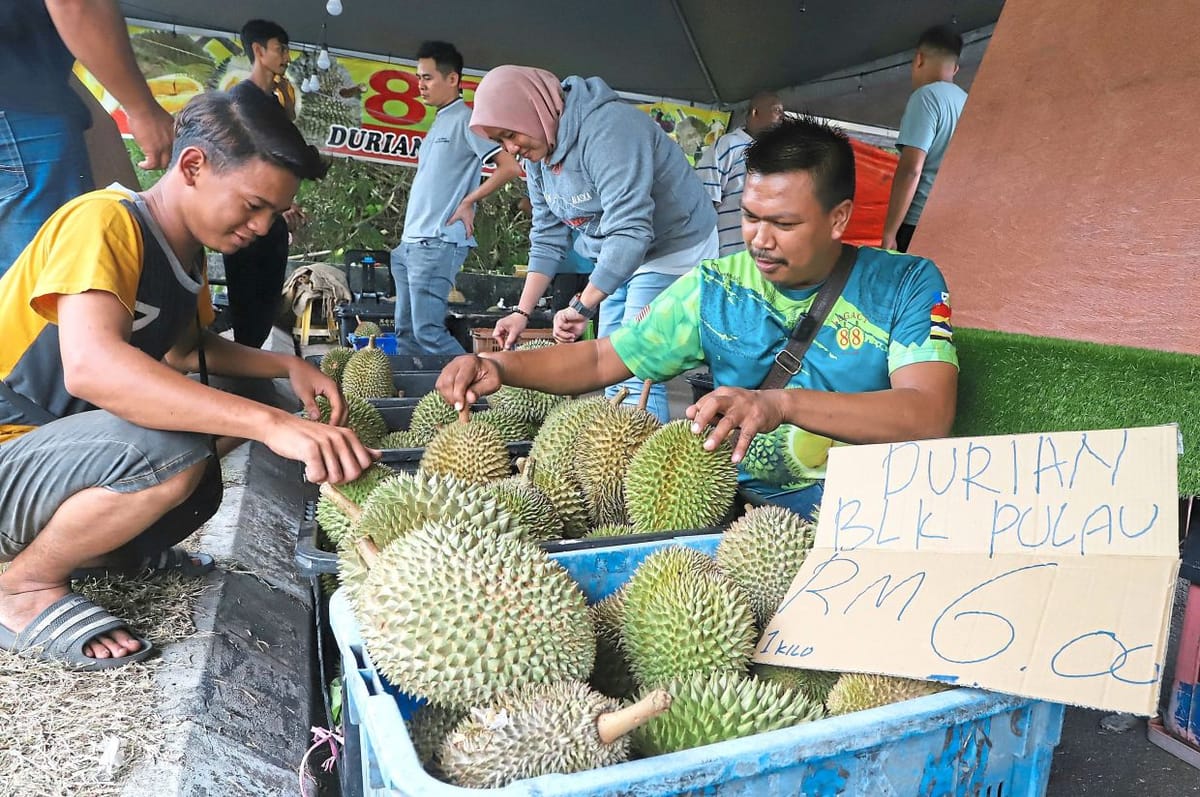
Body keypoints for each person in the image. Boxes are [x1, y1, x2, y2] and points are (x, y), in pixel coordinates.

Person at [0, 88, 375, 670]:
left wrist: (287, 367)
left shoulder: (186, 253)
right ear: (193, 165)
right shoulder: (103, 221)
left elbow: (183, 351)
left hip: (57, 447)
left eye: (273, 213)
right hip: (13, 442)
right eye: (253, 204)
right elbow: (92, 364)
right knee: (173, 450)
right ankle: (21, 587)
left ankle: (110, 550)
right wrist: (271, 425)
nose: (261, 226)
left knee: (234, 420)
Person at [437, 116, 958, 517]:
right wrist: (503, 370)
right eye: (750, 217)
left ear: (839, 217)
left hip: (864, 512)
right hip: (740, 512)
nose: (760, 239)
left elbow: (927, 413)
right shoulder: (717, 285)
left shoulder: (905, 284)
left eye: (784, 222)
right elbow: (603, 359)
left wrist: (780, 403)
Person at [471, 65, 718, 422]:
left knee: (635, 366)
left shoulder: (610, 130)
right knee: (610, 369)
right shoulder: (540, 153)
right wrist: (521, 313)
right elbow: (547, 234)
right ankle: (621, 466)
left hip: (674, 246)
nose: (512, 149)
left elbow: (632, 230)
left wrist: (583, 306)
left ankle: (644, 474)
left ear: (535, 107)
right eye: (501, 142)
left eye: (510, 134)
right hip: (615, 251)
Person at [0, 0, 176, 277]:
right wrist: (143, 110)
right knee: (40, 290)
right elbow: (75, 3)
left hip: (19, 111)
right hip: (20, 115)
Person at [390, 41, 521, 356]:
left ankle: (480, 388)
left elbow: (510, 167)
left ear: (452, 79)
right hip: (410, 245)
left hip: (436, 242)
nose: (421, 85)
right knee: (405, 333)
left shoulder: (467, 119)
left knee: (428, 332)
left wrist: (468, 202)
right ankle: (419, 398)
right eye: (419, 78)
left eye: (428, 78)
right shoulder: (439, 120)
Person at [221, 19, 306, 348]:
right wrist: (267, 207)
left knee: (268, 303)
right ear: (258, 51)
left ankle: (250, 364)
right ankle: (241, 375)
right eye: (280, 49)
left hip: (273, 222)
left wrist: (285, 204)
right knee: (247, 304)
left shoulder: (275, 104)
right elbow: (239, 167)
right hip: (247, 220)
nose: (286, 57)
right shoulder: (239, 101)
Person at [881, 25, 968, 253]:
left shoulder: (926, 97)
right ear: (955, 69)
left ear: (918, 59)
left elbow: (911, 169)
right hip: (951, 220)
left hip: (916, 222)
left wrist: (890, 232)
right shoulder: (967, 101)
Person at [695, 91, 784, 257]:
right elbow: (704, 201)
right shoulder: (728, 145)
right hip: (724, 256)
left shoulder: (774, 155)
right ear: (755, 112)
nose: (782, 117)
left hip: (757, 257)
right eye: (777, 110)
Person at [514, 194, 594, 315]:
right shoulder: (547, 182)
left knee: (579, 319)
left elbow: (523, 204)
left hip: (588, 264)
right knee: (566, 319)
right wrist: (551, 219)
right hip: (569, 263)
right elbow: (524, 204)